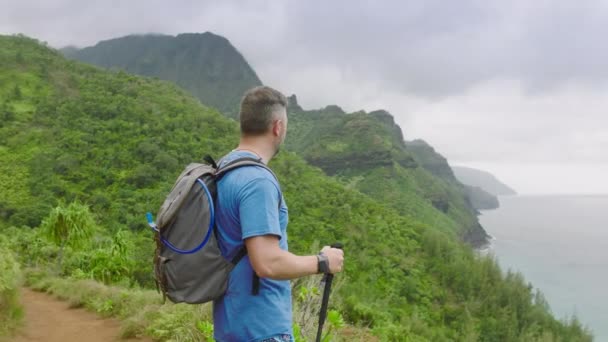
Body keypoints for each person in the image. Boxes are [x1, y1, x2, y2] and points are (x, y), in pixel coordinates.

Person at [213, 86, 345, 342]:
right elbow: (267, 263)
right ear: (277, 127)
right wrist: (322, 261)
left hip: (230, 326)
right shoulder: (257, 181)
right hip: (262, 330)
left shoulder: (223, 168)